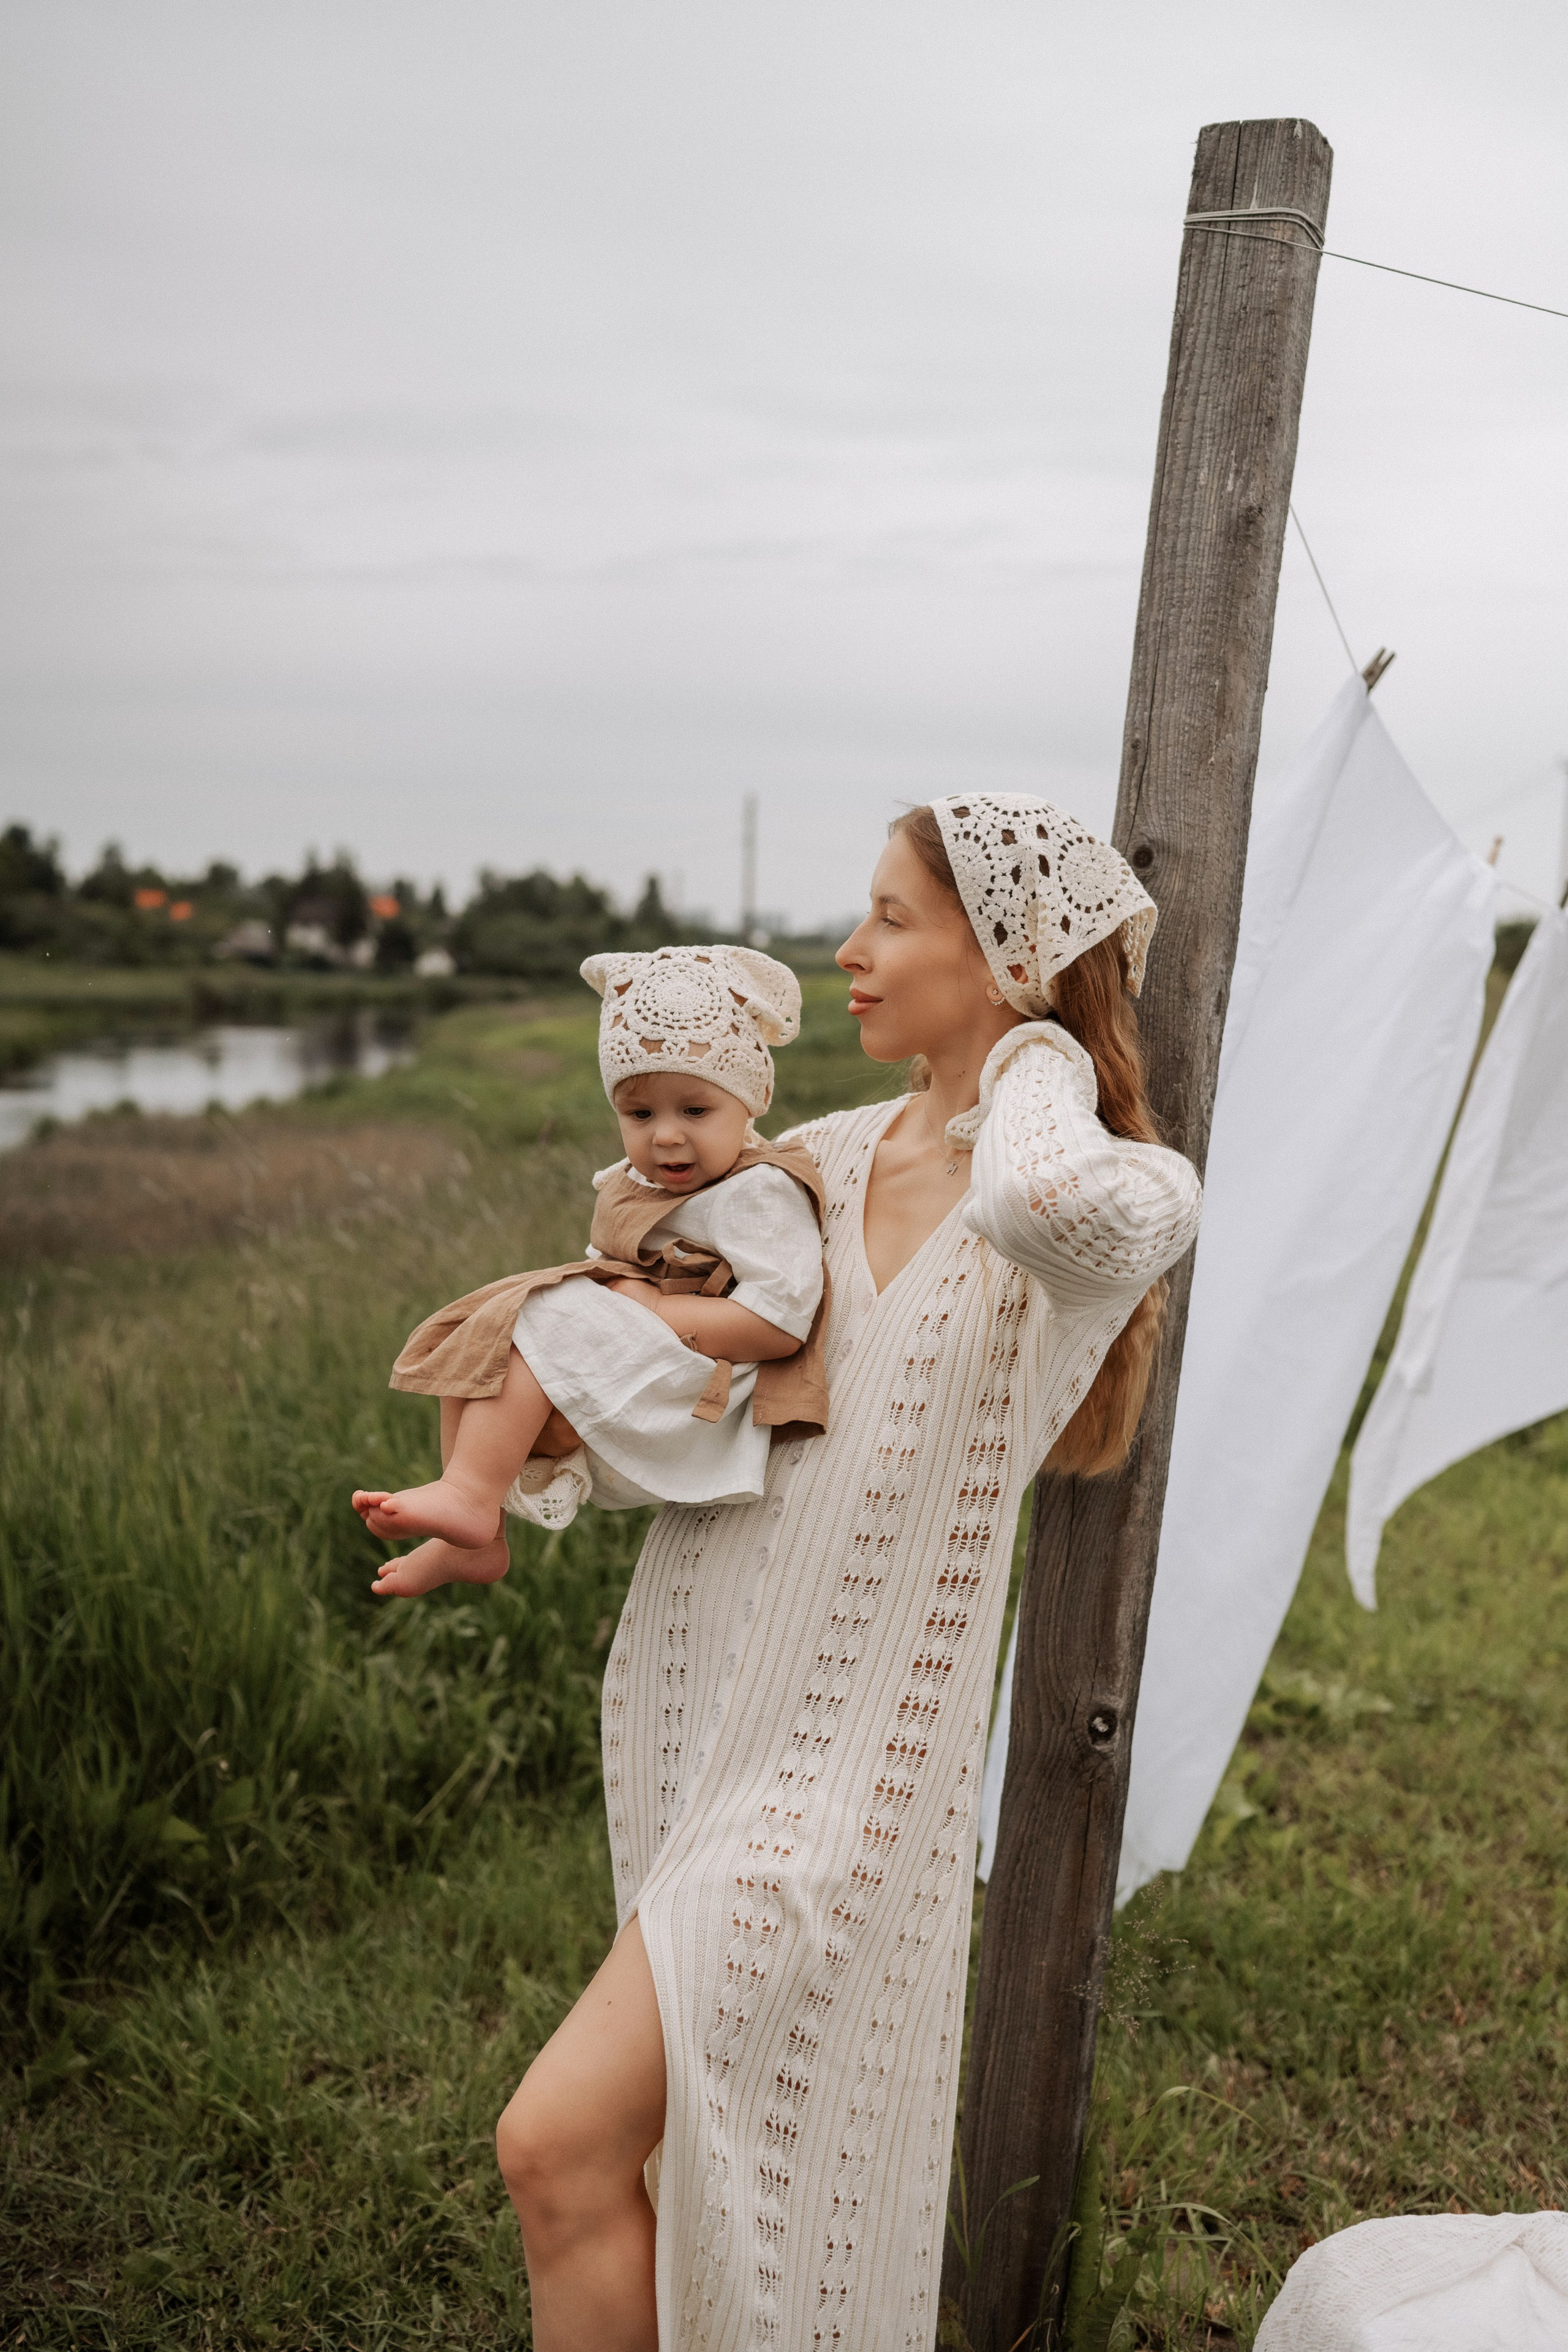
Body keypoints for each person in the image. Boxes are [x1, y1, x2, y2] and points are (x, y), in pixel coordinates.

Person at [491, 796, 1204, 2352]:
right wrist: (518, 1458)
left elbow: (1033, 1195)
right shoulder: (800, 1164)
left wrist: (1032, 1054)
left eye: (890, 916)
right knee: (626, 2167)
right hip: (698, 1711)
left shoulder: (1109, 1190)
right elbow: (664, 1420)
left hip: (849, 1774)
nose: (845, 950)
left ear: (1000, 950)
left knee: (553, 2139)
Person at [353, 944, 829, 1600]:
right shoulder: (647, 1184)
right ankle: (473, 1520)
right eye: (640, 1115)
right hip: (660, 1359)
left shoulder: (758, 1192)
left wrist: (650, 1310)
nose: (664, 1136)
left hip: (717, 1391)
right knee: (490, 1321)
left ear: (755, 1100)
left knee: (541, 1313)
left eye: (694, 1111)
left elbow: (779, 1325)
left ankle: (469, 1495)